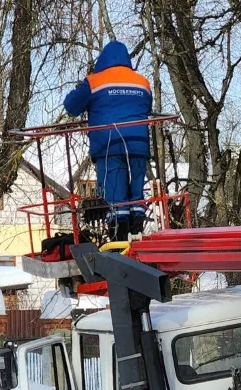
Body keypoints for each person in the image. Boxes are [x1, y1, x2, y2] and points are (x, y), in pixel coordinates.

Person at [63, 40, 153, 240]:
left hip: (108, 143)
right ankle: (137, 230)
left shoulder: (95, 81)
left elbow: (71, 107)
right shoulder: (143, 82)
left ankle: (118, 238)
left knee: (114, 194)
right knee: (136, 191)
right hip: (139, 143)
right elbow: (146, 108)